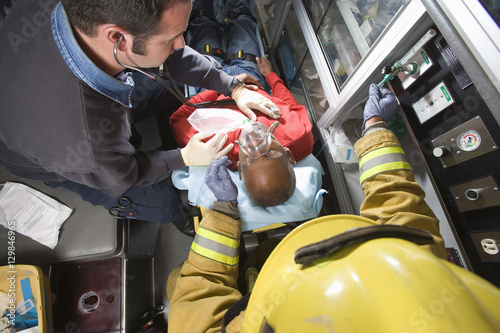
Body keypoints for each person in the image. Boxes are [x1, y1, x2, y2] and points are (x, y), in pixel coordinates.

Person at [165, 84, 500, 332]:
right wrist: (374, 128)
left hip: (263, 278)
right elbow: (403, 216)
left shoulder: (248, 143)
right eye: (257, 154)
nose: (256, 144)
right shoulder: (435, 296)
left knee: (176, 278)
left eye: (264, 152)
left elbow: (198, 294)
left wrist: (222, 209)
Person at [0, 0, 279, 234]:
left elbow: (171, 57)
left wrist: (232, 85)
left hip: (63, 102)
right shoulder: (83, 141)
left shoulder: (100, 18)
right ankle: (180, 219)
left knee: (167, 84)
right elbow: (123, 175)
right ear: (117, 38)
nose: (181, 44)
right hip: (56, 154)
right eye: (171, 38)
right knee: (164, 202)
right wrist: (182, 158)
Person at [170, 0, 314, 206]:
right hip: (253, 76)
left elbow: (178, 118)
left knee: (203, 23)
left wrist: (223, 87)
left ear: (239, 170)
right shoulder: (300, 137)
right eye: (270, 152)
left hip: (211, 83)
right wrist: (271, 75)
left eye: (251, 159)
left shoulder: (215, 148)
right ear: (288, 155)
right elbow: (287, 103)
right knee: (242, 19)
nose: (256, 143)